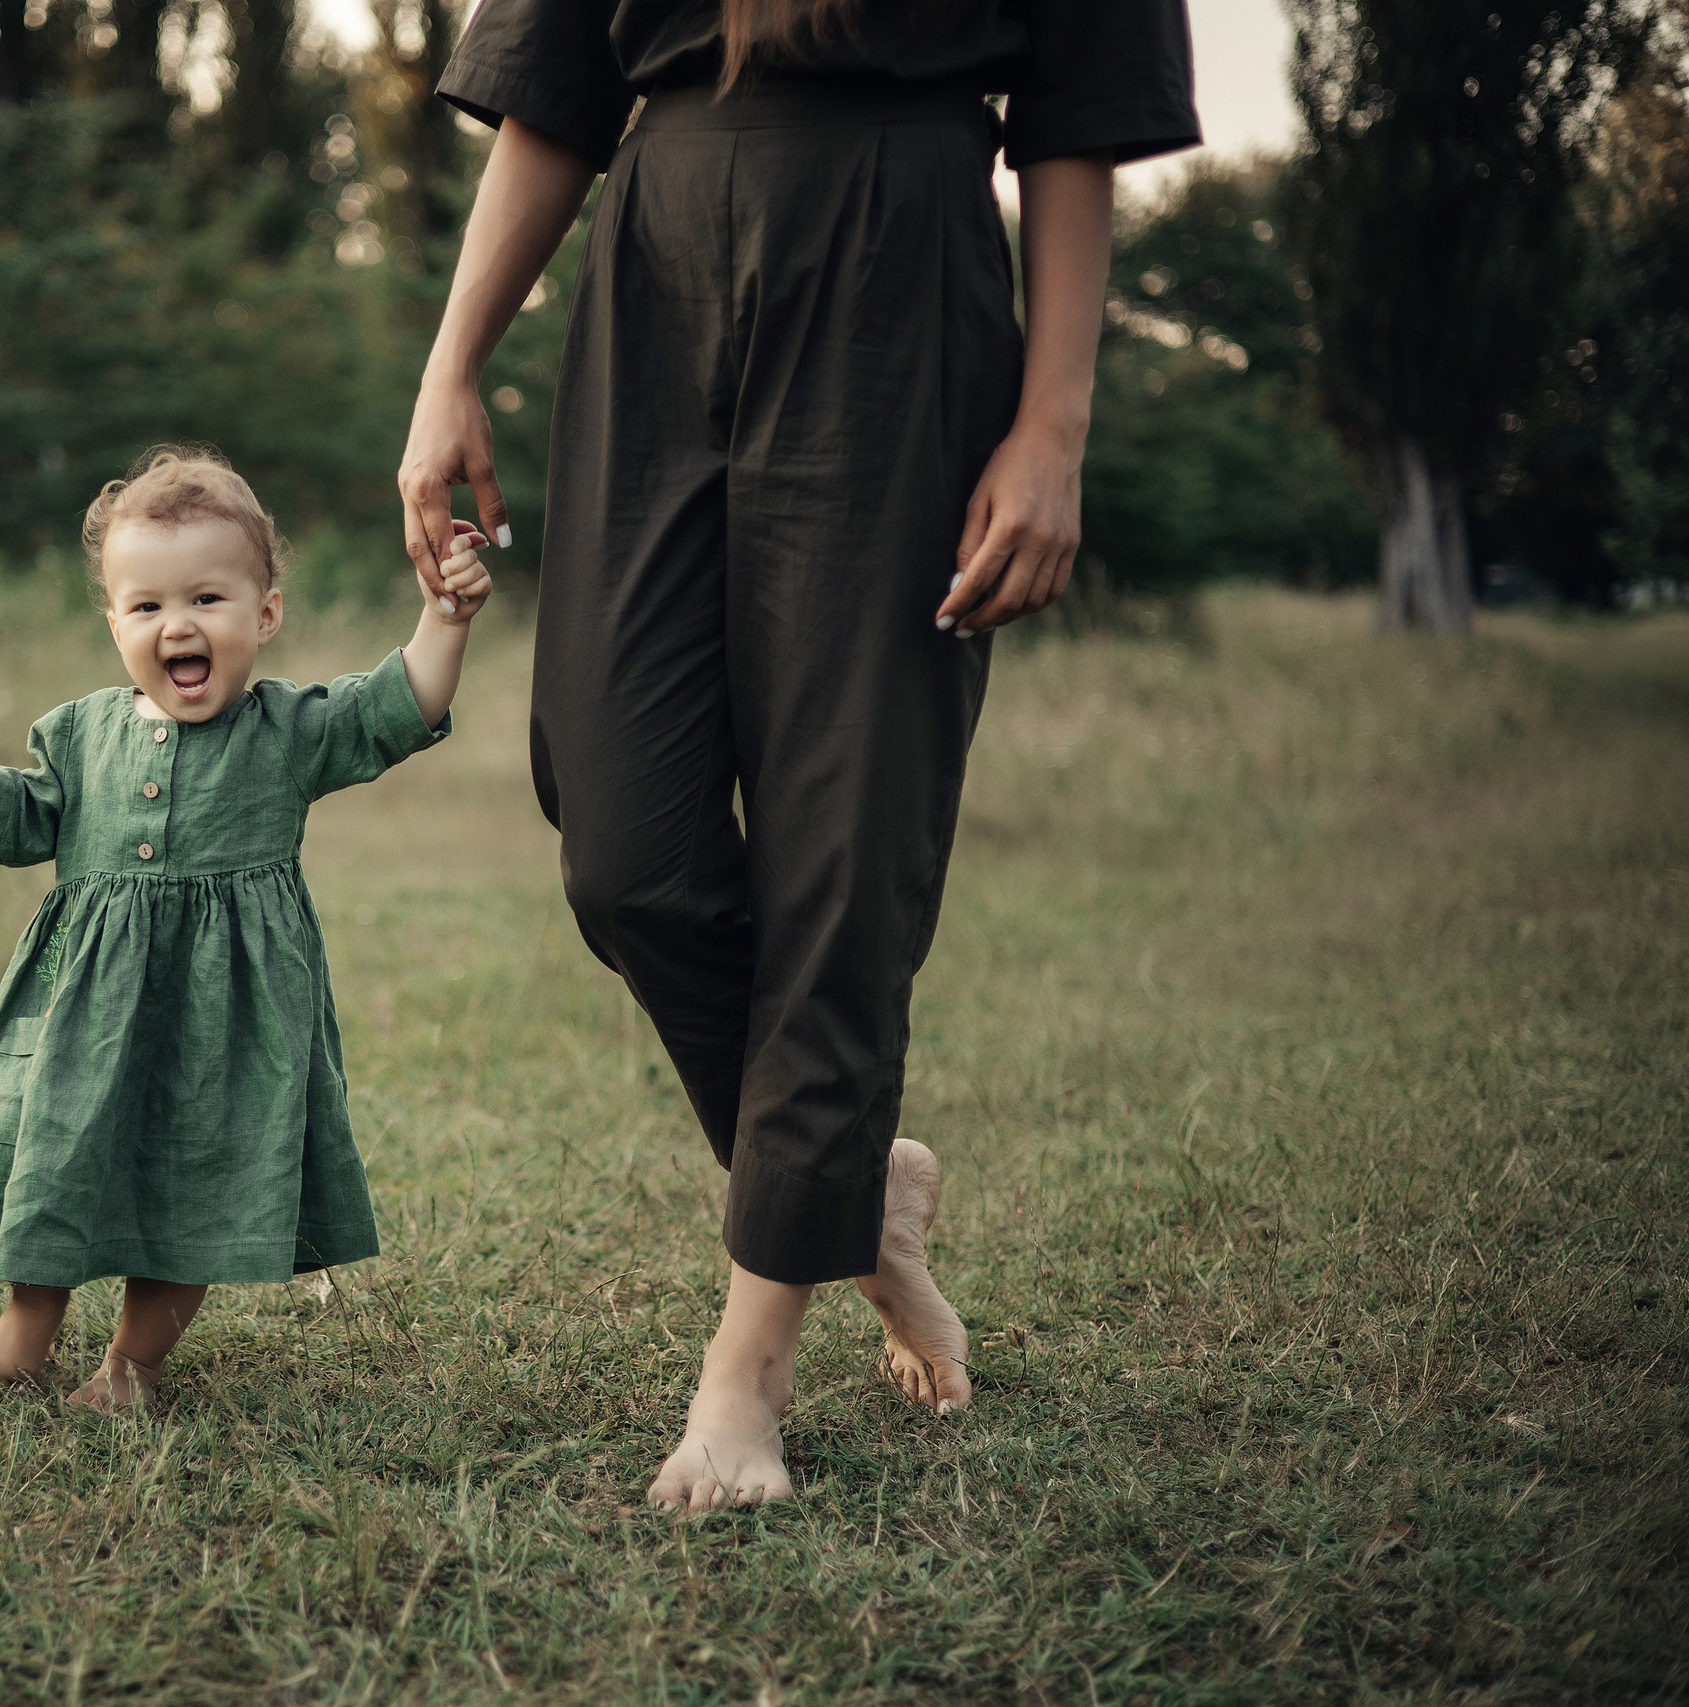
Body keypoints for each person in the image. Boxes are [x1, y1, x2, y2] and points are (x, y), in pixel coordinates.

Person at [399, 0, 1199, 1507]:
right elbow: (554, 89)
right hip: (654, 266)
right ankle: (853, 1190)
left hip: (904, 266)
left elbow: (1083, 117)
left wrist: (1053, 427)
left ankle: (747, 1379)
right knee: (621, 842)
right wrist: (451, 370)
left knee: (844, 839)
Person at [0, 447, 494, 1411]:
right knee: (54, 1155)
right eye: (146, 606)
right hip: (85, 1020)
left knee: (193, 1181)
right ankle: (24, 1327)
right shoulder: (81, 734)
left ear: (264, 615)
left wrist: (444, 616)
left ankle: (132, 1363)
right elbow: (33, 815)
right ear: (115, 625)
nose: (177, 624)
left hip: (224, 1028)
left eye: (207, 599)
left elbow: (399, 706)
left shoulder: (287, 731)